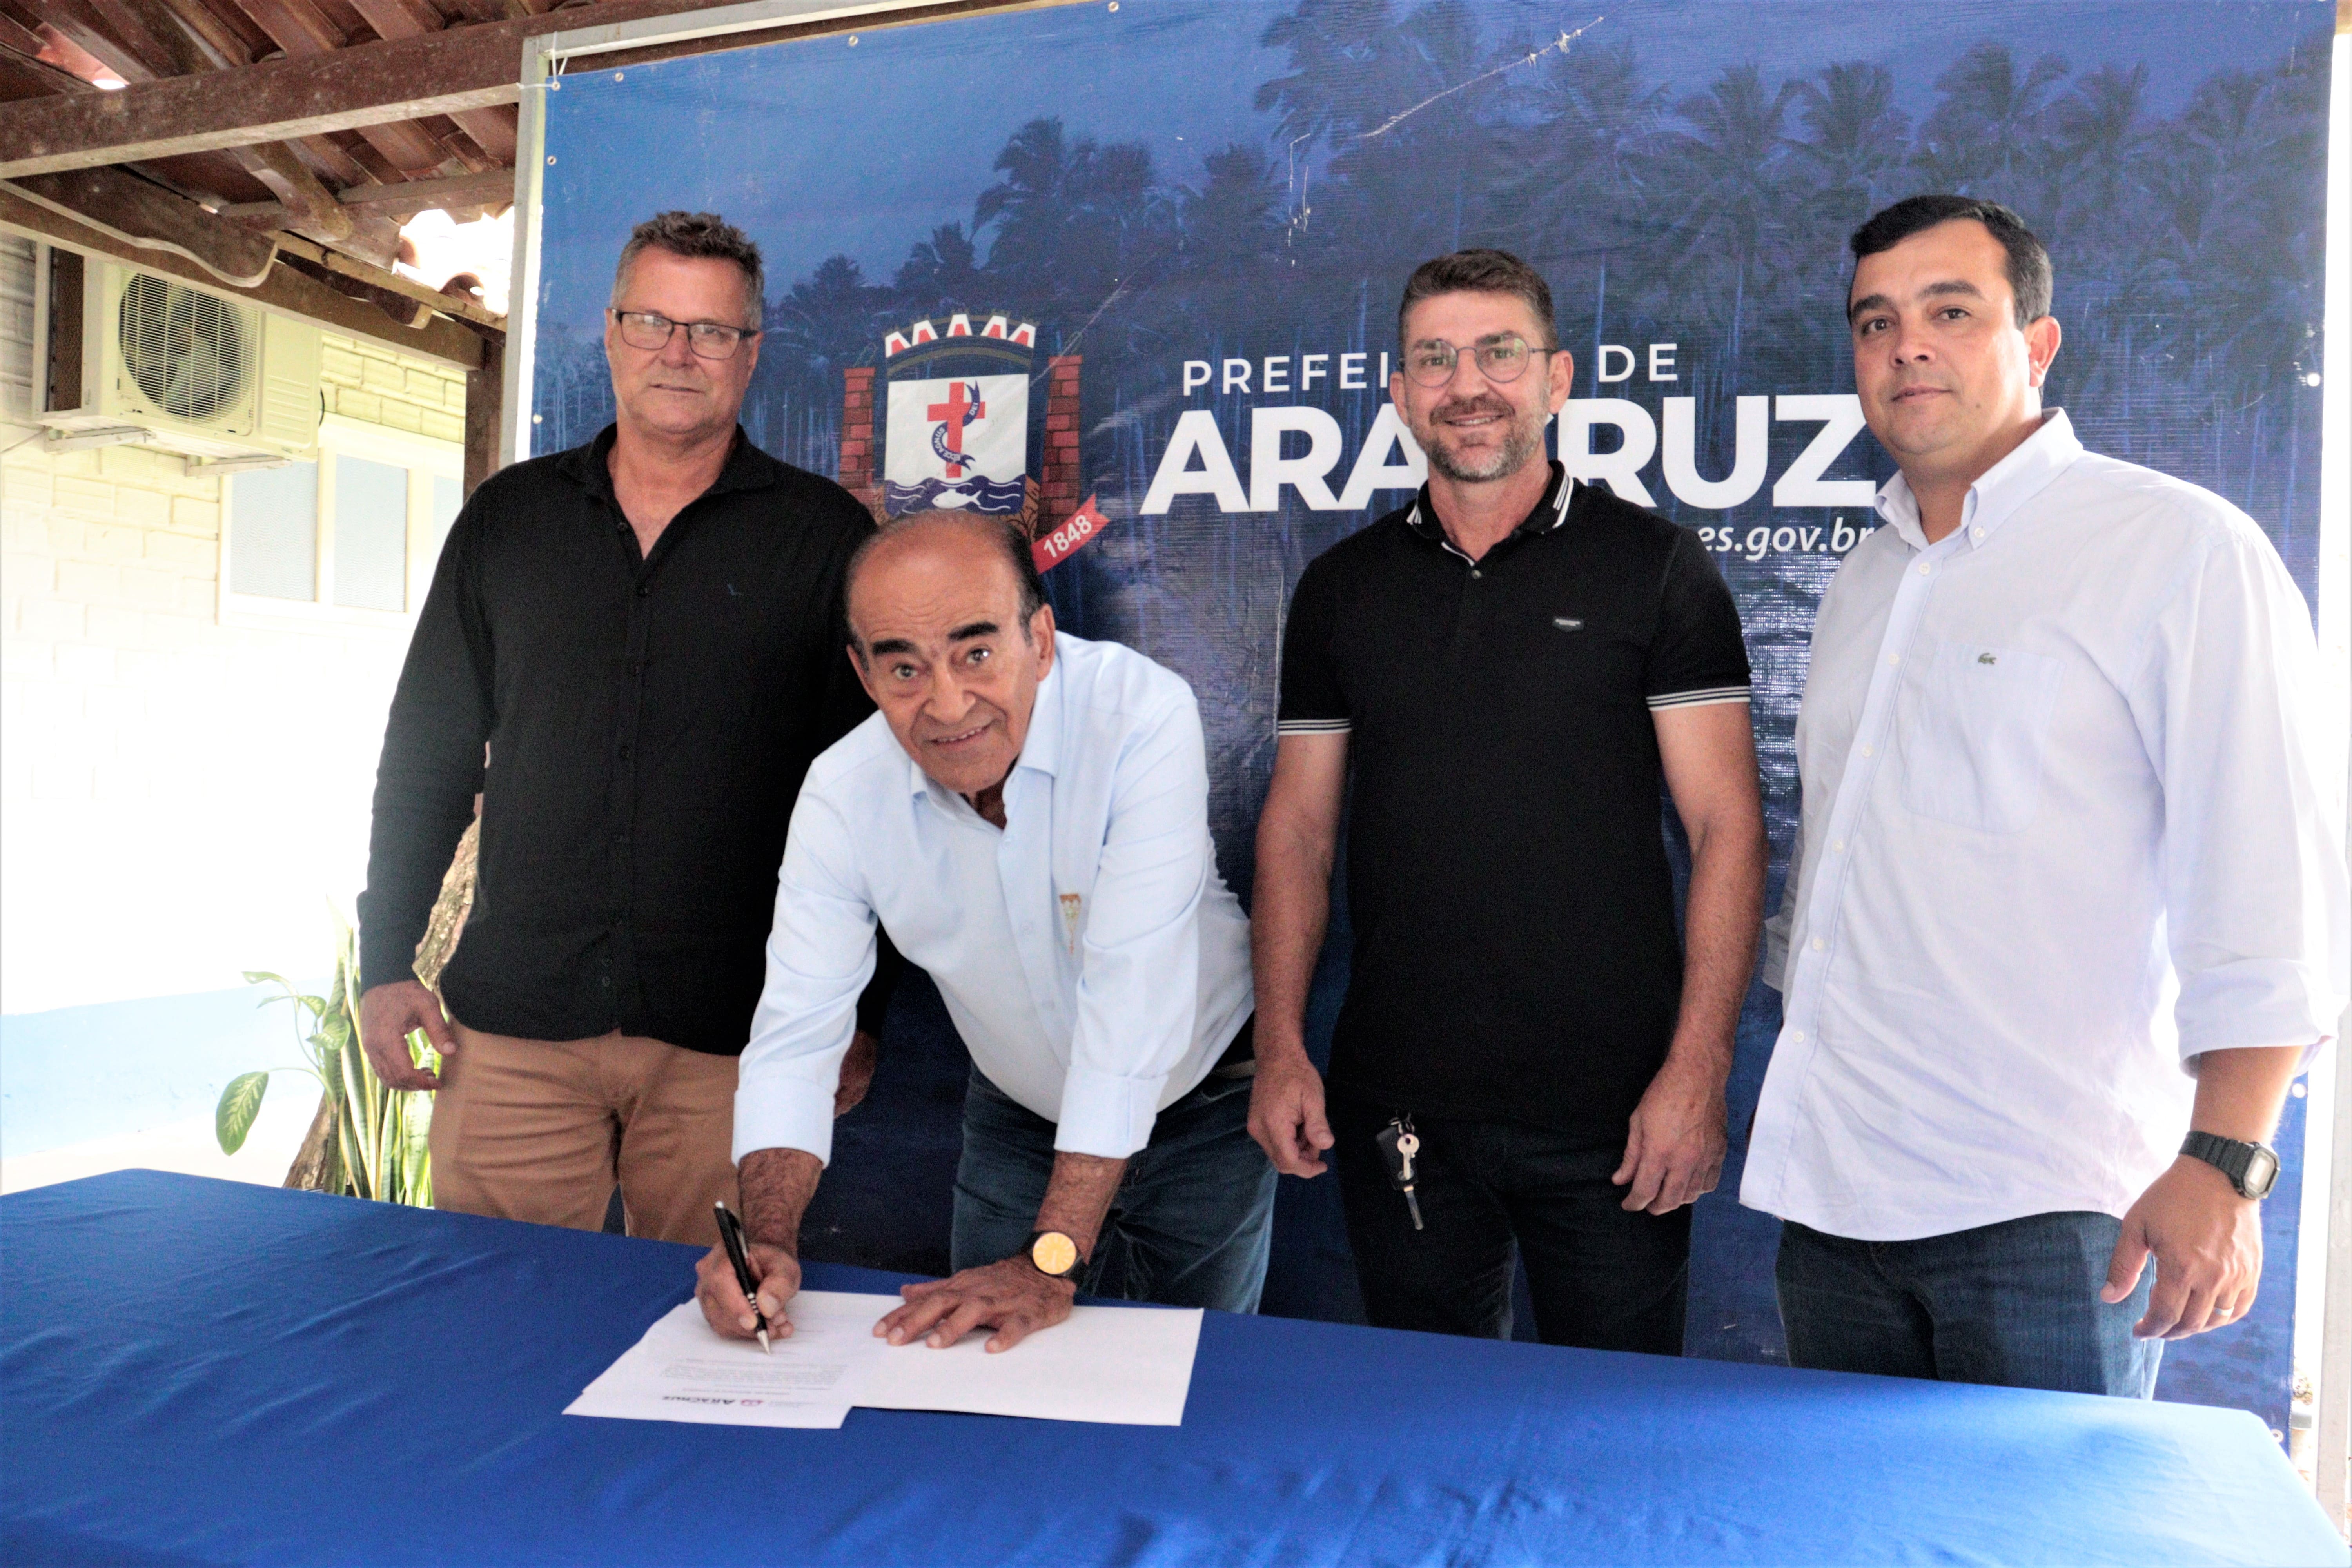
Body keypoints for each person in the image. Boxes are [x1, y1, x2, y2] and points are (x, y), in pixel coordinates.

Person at [1742, 195, 2348, 1396]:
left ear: (2038, 343)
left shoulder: (2179, 550)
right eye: (1876, 321)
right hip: (1834, 1207)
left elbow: (2270, 881)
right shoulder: (1869, 572)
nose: (1907, 344)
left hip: (2055, 1218)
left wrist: (2227, 1160)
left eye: (1950, 311)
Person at [1248, 249, 1767, 1352]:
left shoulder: (1658, 567)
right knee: (1429, 1432)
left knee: (1619, 1440)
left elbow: (1727, 827)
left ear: (1558, 378)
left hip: (1618, 1116)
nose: (1466, 384)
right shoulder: (1345, 589)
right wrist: (1283, 1046)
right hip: (1403, 1110)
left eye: (1498, 353)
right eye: (1433, 360)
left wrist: (1697, 1071)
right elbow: (1297, 831)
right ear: (1397, 394)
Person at [356, 212, 887, 1246]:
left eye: (711, 331)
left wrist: (861, 1019)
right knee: (494, 1326)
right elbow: (425, 756)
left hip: (738, 1046)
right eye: (653, 321)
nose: (679, 354)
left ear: (752, 352)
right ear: (608, 333)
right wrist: (386, 963)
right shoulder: (508, 523)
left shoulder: (823, 539)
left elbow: (879, 805)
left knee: (716, 1347)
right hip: (511, 1038)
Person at [695, 510, 1270, 1354]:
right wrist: (769, 1237)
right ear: (862, 672)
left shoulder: (1141, 715)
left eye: (976, 651)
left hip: (1202, 1102)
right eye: (904, 667)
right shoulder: (842, 792)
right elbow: (797, 1033)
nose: (948, 702)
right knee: (980, 1374)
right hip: (1019, 1109)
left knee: (1196, 1382)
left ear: (1041, 637)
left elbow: (1131, 1005)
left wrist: (1049, 1261)